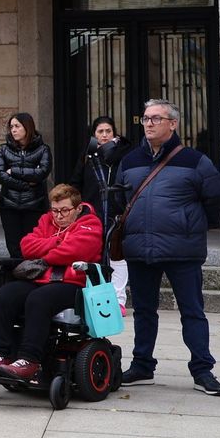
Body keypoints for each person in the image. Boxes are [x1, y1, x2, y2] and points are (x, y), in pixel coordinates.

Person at [116, 98, 220, 395]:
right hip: (140, 249)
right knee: (143, 311)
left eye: (156, 118)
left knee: (192, 311)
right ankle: (142, 366)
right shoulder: (130, 160)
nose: (149, 124)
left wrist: (191, 225)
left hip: (183, 250)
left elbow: (216, 199)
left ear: (173, 124)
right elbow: (119, 200)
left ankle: (202, 370)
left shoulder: (194, 160)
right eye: (146, 118)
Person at [0, 184, 104, 380]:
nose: (59, 216)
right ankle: (1, 354)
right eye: (55, 210)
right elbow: (26, 246)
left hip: (73, 283)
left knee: (39, 299)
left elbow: (74, 252)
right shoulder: (46, 220)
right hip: (42, 279)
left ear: (77, 208)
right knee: (3, 296)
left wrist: (44, 256)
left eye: (65, 210)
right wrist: (58, 241)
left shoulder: (90, 223)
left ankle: (29, 360)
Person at [71, 115, 131, 305]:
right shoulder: (87, 155)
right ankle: (97, 296)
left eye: (108, 131)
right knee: (94, 252)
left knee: (116, 254)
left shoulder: (123, 153)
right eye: (100, 132)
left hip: (116, 211)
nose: (104, 135)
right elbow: (76, 182)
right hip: (93, 211)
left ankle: (118, 299)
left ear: (114, 133)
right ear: (94, 135)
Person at [0, 112, 52, 260]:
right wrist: (25, 185)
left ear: (27, 127)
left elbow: (41, 173)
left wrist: (13, 171)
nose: (13, 130)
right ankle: (17, 273)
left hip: (34, 205)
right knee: (14, 247)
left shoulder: (43, 149)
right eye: (11, 127)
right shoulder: (3, 149)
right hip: (9, 205)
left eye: (17, 126)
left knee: (32, 246)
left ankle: (31, 272)